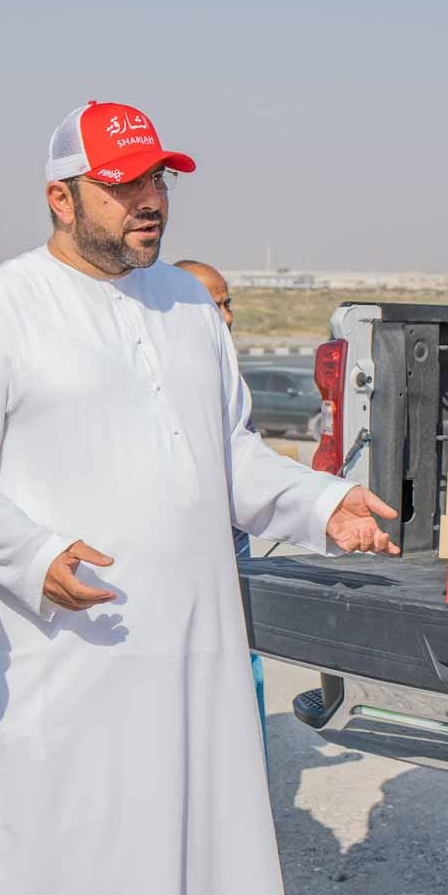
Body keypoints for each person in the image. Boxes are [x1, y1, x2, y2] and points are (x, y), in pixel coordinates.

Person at [0, 100, 398, 895]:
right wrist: (31, 554)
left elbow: (230, 454)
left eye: (159, 180)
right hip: (65, 667)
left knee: (197, 875)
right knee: (70, 888)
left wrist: (320, 502)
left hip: (193, 665)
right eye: (123, 184)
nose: (150, 201)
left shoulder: (186, 305)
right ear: (60, 197)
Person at [176, 258, 267, 734]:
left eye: (228, 304)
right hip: (182, 551)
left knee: (242, 663)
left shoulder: (225, 372)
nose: (227, 317)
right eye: (215, 306)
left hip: (232, 542)